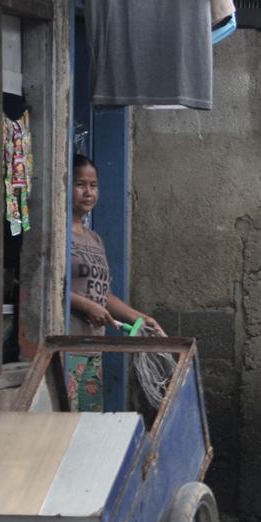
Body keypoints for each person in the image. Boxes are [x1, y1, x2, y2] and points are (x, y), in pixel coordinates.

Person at [68, 154, 161, 411]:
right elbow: (48, 288)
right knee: (67, 426)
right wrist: (86, 306)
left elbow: (104, 295)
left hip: (93, 351)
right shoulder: (58, 234)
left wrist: (138, 317)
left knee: (89, 424)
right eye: (80, 184)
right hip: (65, 350)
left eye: (93, 185)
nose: (88, 192)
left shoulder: (94, 240)